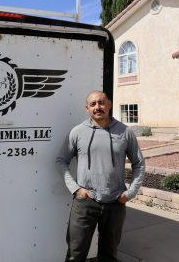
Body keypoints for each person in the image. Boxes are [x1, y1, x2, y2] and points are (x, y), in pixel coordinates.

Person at [56, 91, 145, 262]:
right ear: (87, 108)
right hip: (85, 202)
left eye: (101, 102)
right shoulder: (77, 132)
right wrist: (75, 189)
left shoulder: (125, 132)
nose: (98, 107)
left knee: (109, 254)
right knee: (75, 254)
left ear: (109, 104)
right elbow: (61, 161)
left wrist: (131, 193)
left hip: (115, 203)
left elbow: (139, 163)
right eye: (93, 104)